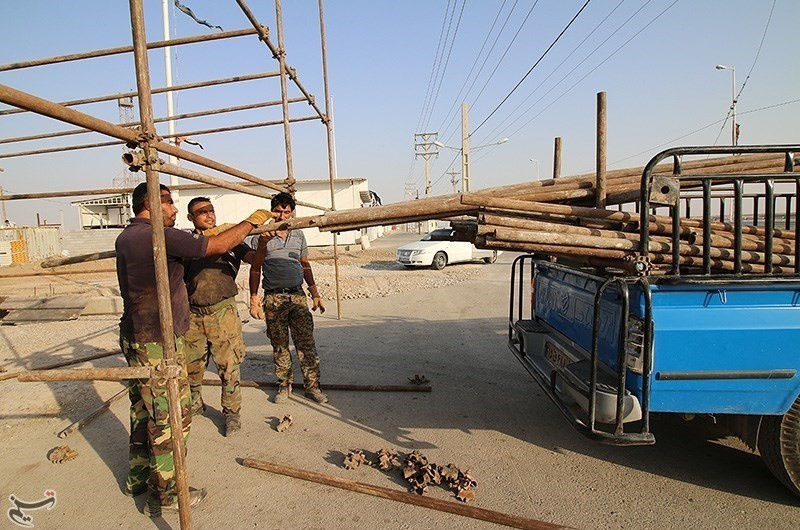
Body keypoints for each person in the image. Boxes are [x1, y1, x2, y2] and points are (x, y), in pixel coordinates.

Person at [115, 182, 272, 516]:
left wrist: (250, 238)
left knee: (143, 411)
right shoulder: (161, 235)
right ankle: (166, 494)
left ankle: (139, 477)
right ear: (151, 205)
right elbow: (215, 244)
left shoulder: (126, 236)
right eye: (169, 204)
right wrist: (251, 222)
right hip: (156, 339)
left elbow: (244, 254)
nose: (172, 209)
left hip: (136, 333)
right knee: (171, 417)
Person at [183, 196, 257, 437]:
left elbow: (255, 260)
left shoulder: (229, 238)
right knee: (192, 366)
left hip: (222, 312)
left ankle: (232, 413)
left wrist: (264, 242)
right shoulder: (186, 242)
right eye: (201, 212)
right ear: (190, 218)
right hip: (193, 314)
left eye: (211, 210)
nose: (209, 214)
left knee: (229, 365)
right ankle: (194, 405)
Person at [248, 192, 328, 404]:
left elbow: (304, 264)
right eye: (278, 211)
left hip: (297, 296)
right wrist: (254, 299)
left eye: (287, 211)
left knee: (306, 343)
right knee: (280, 344)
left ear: (292, 212)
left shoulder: (299, 235)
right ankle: (284, 385)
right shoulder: (261, 236)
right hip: (274, 298)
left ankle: (313, 386)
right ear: (272, 211)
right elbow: (255, 268)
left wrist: (315, 293)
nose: (283, 215)